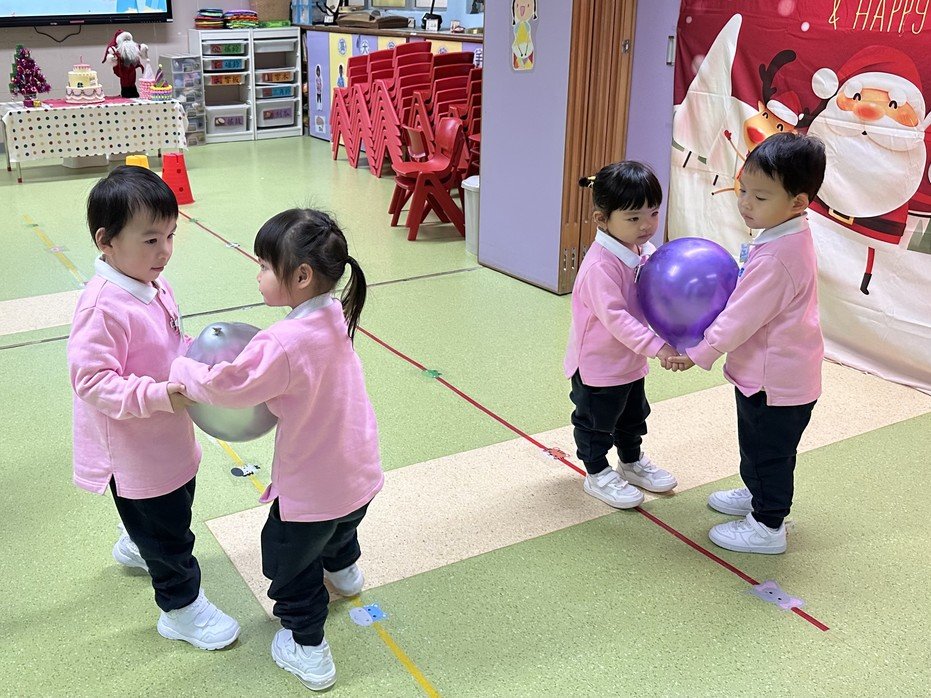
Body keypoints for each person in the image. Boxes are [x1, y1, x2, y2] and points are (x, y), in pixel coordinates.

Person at [170, 209, 384, 691]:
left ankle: (308, 648)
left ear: (302, 276)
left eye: (265, 265)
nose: (259, 274)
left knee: (289, 560)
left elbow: (229, 387)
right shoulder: (334, 312)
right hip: (360, 470)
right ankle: (345, 573)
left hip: (313, 485)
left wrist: (184, 369)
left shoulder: (284, 342)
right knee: (340, 527)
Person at [68, 165, 240, 650]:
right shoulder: (102, 308)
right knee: (170, 534)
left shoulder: (154, 283)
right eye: (150, 240)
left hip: (168, 435)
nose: (164, 251)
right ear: (106, 241)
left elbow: (169, 343)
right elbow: (91, 381)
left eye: (170, 236)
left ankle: (137, 541)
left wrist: (200, 356)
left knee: (173, 506)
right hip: (135, 451)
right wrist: (160, 394)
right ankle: (180, 609)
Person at [671, 132, 827, 555]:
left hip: (773, 381)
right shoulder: (785, 235)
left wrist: (699, 352)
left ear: (798, 202)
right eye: (743, 191)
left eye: (759, 197)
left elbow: (741, 316)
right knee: (761, 447)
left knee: (767, 453)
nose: (745, 204)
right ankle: (757, 491)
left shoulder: (778, 255)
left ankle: (767, 526)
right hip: (776, 374)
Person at [565, 161, 680, 510]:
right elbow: (617, 319)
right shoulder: (600, 266)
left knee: (633, 417)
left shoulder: (641, 249)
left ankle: (630, 462)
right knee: (596, 423)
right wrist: (658, 346)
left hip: (629, 360)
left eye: (653, 213)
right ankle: (596, 472)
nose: (646, 225)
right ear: (602, 219)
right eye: (633, 218)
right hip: (599, 366)